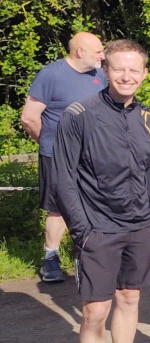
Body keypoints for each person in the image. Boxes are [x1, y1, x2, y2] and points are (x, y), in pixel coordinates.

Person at [53, 39, 150, 343]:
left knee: (130, 299)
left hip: (141, 227)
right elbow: (63, 179)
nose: (127, 76)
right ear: (105, 71)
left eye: (134, 70)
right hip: (98, 229)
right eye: (119, 69)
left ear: (145, 74)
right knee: (95, 313)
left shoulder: (149, 118)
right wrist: (83, 230)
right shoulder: (78, 116)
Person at [20, 32, 107, 283]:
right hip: (58, 156)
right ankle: (50, 259)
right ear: (80, 52)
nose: (103, 56)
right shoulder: (51, 75)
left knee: (95, 202)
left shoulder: (99, 75)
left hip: (93, 154)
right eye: (98, 51)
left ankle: (93, 254)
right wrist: (51, 143)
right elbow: (29, 117)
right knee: (58, 209)